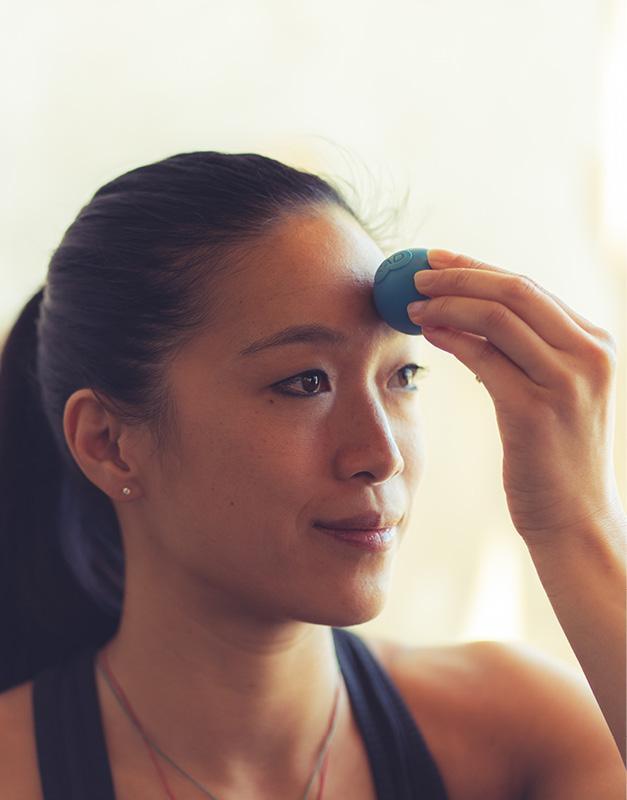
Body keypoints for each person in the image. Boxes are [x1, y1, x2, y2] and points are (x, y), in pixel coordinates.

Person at [0, 151, 624, 799]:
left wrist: (577, 527)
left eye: (401, 376)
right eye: (305, 382)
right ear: (109, 444)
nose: (382, 454)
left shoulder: (521, 739)